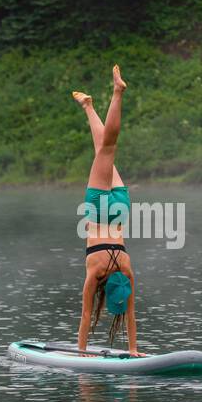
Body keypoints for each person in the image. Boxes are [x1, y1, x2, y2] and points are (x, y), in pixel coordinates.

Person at [73, 65, 140, 355]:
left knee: (104, 149)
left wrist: (136, 348)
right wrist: (81, 354)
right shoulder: (95, 273)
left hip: (121, 210)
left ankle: (87, 105)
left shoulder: (126, 271)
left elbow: (131, 320)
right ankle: (116, 92)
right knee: (107, 148)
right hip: (99, 210)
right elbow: (86, 318)